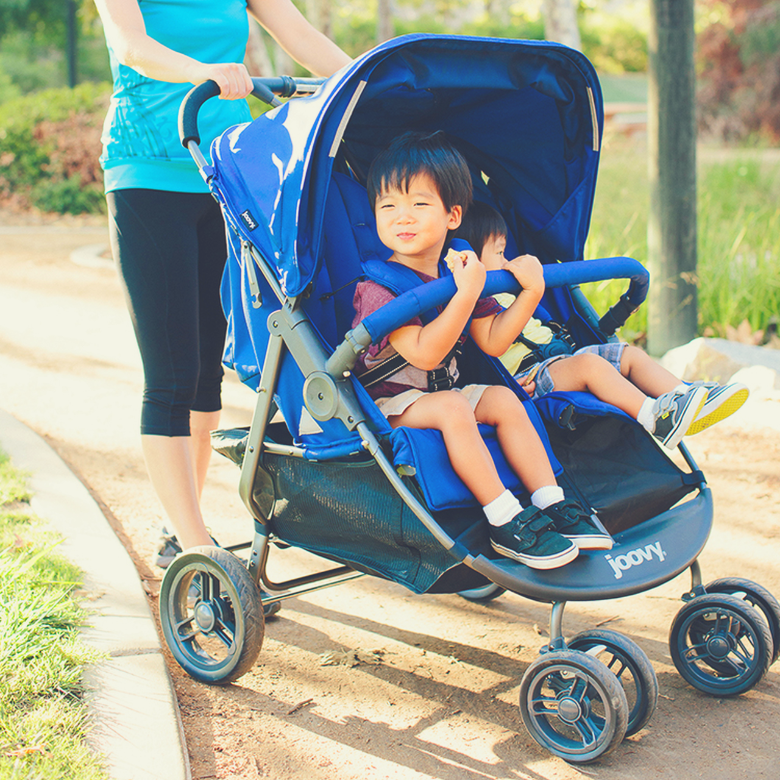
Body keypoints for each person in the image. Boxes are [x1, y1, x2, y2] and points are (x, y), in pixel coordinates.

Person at [94, 0, 351, 590]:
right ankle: (196, 546)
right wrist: (202, 72)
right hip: (148, 173)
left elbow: (298, 32)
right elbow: (131, 45)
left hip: (223, 172)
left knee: (207, 374)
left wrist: (371, 82)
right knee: (170, 373)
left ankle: (181, 532)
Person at [352, 130, 613, 570]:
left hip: (440, 394)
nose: (403, 217)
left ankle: (552, 501)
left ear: (453, 215)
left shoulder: (461, 268)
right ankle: (504, 518)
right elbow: (424, 355)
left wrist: (530, 291)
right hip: (391, 401)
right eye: (388, 206)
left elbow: (492, 340)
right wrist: (463, 295)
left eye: (419, 204)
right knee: (454, 405)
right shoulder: (380, 289)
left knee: (502, 399)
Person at [455, 201, 749, 449]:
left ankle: (685, 396)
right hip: (529, 377)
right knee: (589, 366)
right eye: (499, 252)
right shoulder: (475, 299)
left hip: (559, 359)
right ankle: (656, 419)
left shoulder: (509, 289)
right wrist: (531, 291)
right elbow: (494, 344)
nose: (506, 260)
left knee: (628, 354)